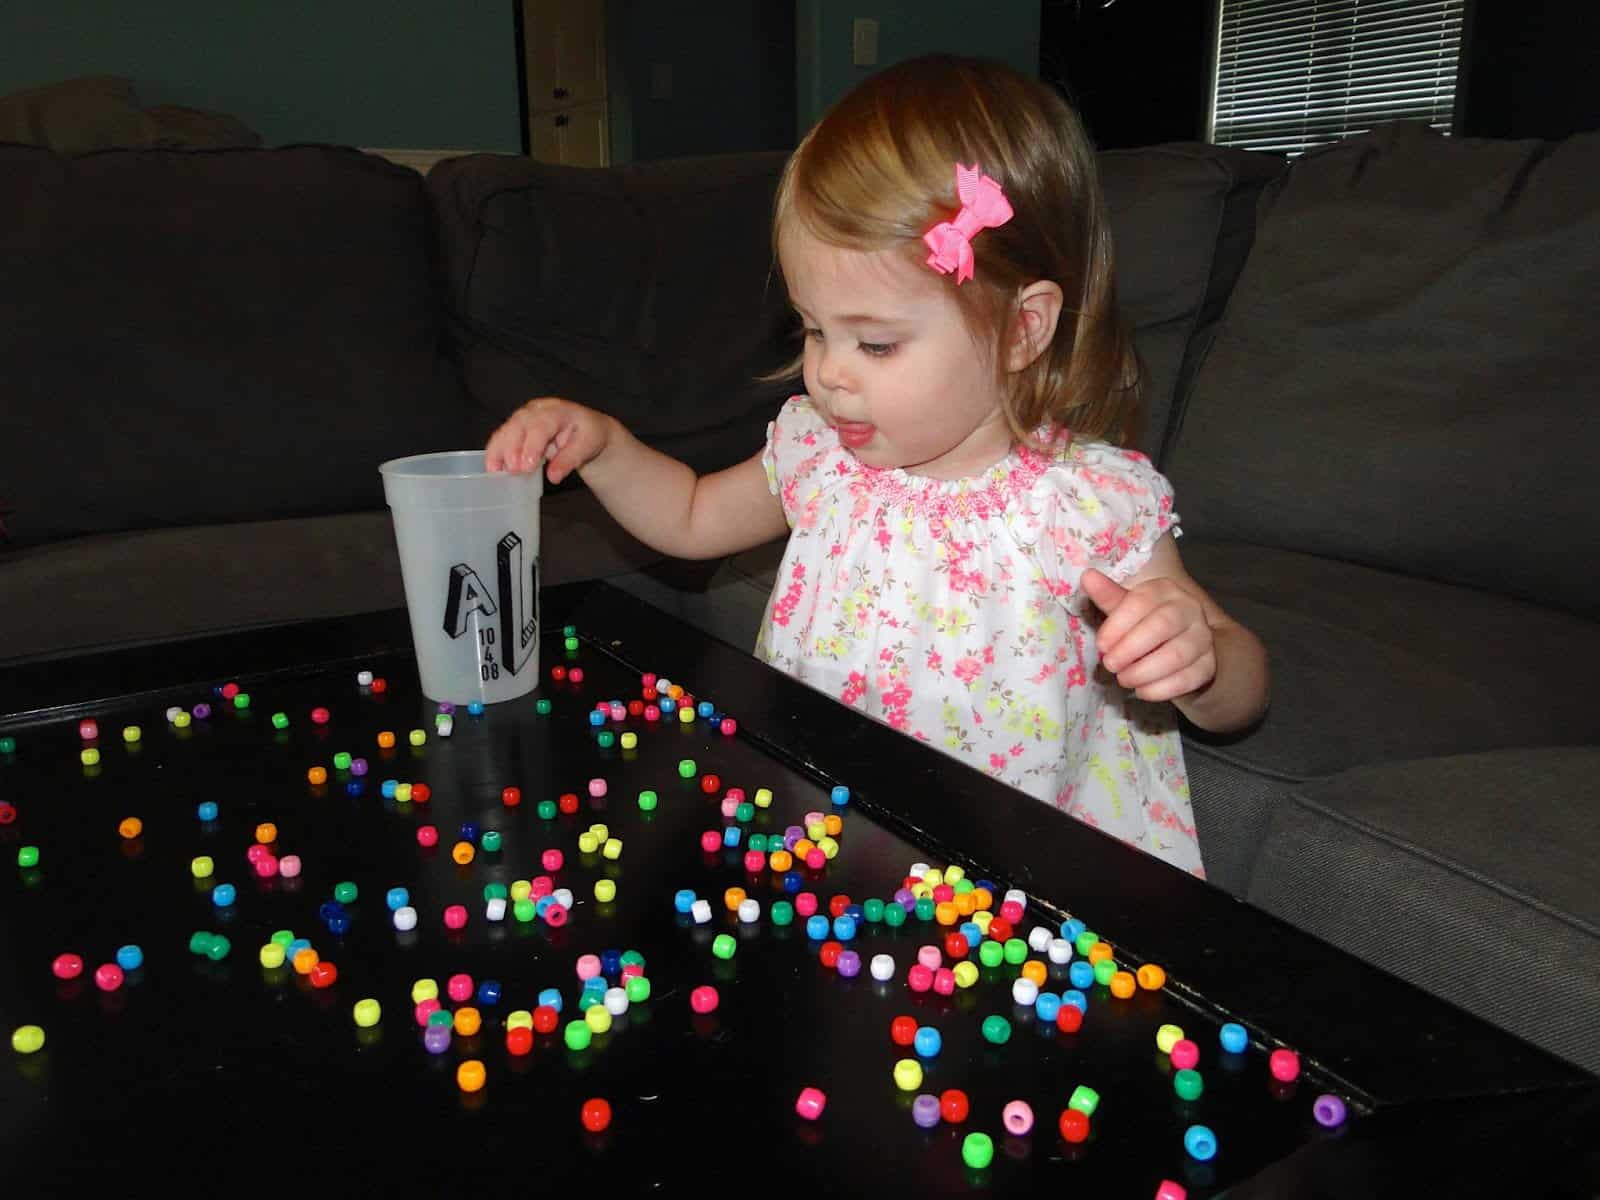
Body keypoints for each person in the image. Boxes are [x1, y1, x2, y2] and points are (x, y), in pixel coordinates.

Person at [485, 55, 1268, 875]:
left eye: (877, 342)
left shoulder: (1087, 502)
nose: (829, 373)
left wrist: (1198, 657)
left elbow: (1238, 688)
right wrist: (607, 447)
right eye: (814, 330)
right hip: (836, 839)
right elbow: (689, 517)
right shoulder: (819, 454)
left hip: (1020, 879)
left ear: (1021, 330)